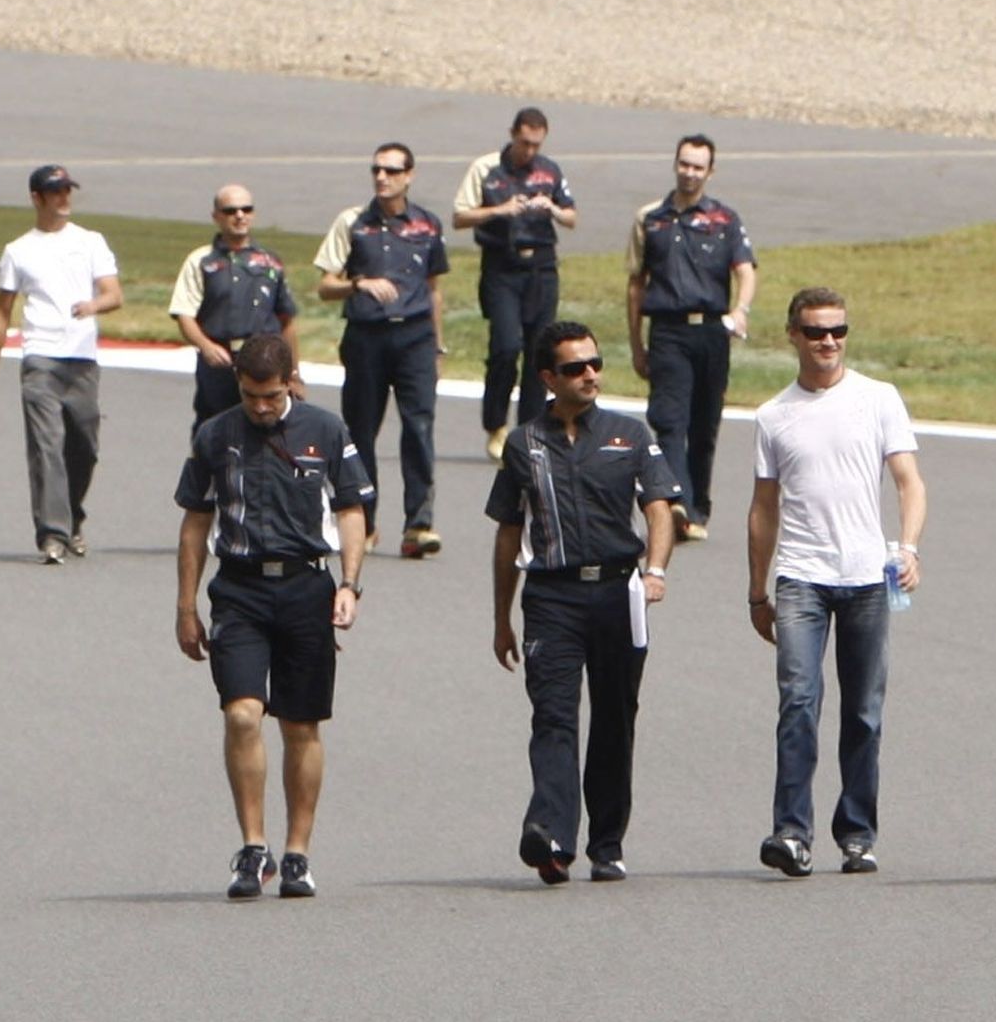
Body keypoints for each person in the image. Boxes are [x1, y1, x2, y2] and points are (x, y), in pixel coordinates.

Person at [175, 332, 372, 901]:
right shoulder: (215, 434)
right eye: (249, 394)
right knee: (241, 715)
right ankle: (253, 845)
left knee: (300, 725)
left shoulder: (326, 430)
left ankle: (297, 853)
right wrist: (186, 606)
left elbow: (351, 508)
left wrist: (351, 585)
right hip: (238, 589)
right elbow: (193, 524)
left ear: (290, 380)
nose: (260, 406)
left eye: (269, 395)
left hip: (307, 586)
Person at [484, 319, 680, 884]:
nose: (590, 374)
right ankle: (550, 833)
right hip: (551, 596)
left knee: (615, 719)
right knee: (553, 715)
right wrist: (502, 617)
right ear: (549, 377)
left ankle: (607, 841)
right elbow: (506, 533)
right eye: (575, 368)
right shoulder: (524, 443)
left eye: (595, 364)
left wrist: (656, 570)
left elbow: (659, 507)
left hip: (620, 592)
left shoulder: (630, 433)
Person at [741, 283, 919, 877]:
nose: (828, 341)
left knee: (864, 711)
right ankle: (791, 832)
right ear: (792, 335)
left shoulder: (878, 398)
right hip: (800, 578)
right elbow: (764, 507)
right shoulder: (773, 416)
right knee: (798, 702)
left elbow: (909, 482)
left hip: (868, 576)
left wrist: (909, 548)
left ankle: (857, 833)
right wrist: (756, 588)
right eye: (815, 331)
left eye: (838, 330)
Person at [0, 165, 123, 562]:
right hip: (40, 357)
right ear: (37, 198)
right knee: (47, 447)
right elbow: (2, 312)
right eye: (55, 191)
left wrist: (92, 304)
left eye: (67, 190)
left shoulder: (90, 241)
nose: (64, 198)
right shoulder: (18, 250)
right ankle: (52, 534)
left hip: (82, 359)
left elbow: (114, 294)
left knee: (85, 446)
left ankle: (72, 515)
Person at [314, 143, 452, 556]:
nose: (382, 177)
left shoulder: (427, 225)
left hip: (414, 339)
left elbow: (434, 291)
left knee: (419, 428)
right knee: (360, 433)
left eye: (392, 171)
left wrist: (437, 345)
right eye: (377, 169)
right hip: (366, 337)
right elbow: (324, 285)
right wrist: (358, 284)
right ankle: (365, 521)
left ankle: (419, 524)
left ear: (409, 175)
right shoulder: (352, 222)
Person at [627, 135, 756, 531]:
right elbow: (635, 284)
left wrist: (740, 309)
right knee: (669, 420)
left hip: (712, 333)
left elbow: (746, 271)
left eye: (698, 166)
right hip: (668, 332)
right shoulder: (650, 218)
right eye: (684, 164)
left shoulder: (724, 219)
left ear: (710, 172)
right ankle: (676, 500)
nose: (689, 172)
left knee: (704, 424)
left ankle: (698, 506)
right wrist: (637, 344)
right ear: (675, 164)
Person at [452, 110, 578, 457]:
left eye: (536, 145)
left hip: (541, 266)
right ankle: (495, 423)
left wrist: (551, 207)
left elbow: (572, 217)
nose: (529, 151)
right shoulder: (487, 169)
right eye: (524, 143)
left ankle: (530, 430)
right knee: (506, 345)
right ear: (512, 135)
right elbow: (460, 216)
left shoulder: (549, 170)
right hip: (502, 265)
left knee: (540, 351)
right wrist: (499, 210)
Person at [169, 186, 302, 419]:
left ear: (253, 214)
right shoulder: (201, 261)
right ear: (216, 216)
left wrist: (293, 372)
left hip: (266, 360)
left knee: (269, 427)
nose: (239, 215)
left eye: (245, 209)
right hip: (221, 362)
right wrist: (206, 346)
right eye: (230, 211)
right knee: (214, 429)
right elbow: (184, 314)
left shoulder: (271, 262)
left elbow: (287, 320)